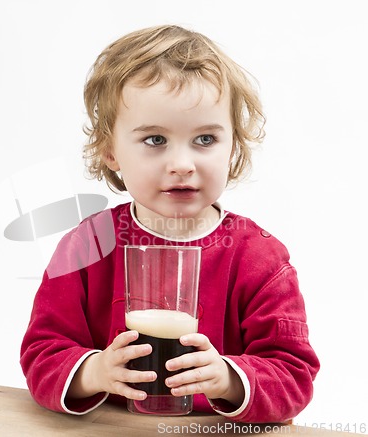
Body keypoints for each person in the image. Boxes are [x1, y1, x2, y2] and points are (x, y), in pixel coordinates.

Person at [20, 24, 320, 423]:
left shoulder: (259, 257)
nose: (182, 164)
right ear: (111, 150)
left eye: (206, 139)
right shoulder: (89, 244)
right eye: (155, 140)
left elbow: (294, 376)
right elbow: (42, 352)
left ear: (233, 147)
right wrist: (94, 371)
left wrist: (229, 379)